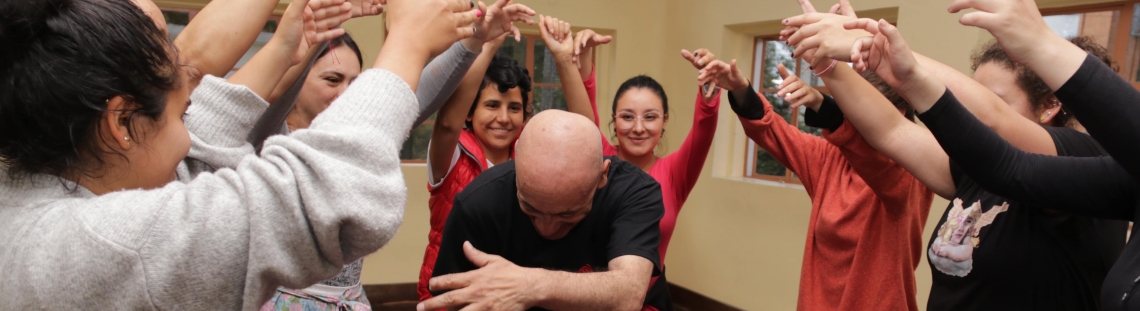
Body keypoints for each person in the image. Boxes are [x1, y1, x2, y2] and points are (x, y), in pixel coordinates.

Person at [0, 0, 481, 308]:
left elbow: (199, 153)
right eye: (178, 111)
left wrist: (288, 49)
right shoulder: (101, 248)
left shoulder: (35, 197)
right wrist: (407, 45)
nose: (188, 134)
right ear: (121, 123)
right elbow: (326, 194)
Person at [782, 1, 1129, 309]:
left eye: (991, 96)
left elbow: (993, 119)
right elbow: (892, 131)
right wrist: (830, 65)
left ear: (1050, 105)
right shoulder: (981, 170)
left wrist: (890, 57)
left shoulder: (1080, 157)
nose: (968, 111)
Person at [695, 21, 933, 311]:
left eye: (864, 111)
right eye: (853, 109)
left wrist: (825, 105)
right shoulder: (831, 158)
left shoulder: (912, 171)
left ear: (899, 114)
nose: (859, 119)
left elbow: (880, 162)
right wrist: (741, 89)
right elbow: (772, 131)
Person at [421, 110, 672, 311]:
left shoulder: (635, 191)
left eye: (567, 214)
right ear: (516, 160)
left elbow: (628, 294)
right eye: (529, 208)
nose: (546, 228)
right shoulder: (478, 203)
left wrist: (530, 284)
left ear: (602, 176)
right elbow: (452, 299)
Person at [418, 14, 590, 301]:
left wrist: (563, 59)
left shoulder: (530, 156)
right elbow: (447, 123)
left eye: (514, 108)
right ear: (470, 113)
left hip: (512, 294)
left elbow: (587, 136)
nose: (503, 118)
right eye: (492, 105)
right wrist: (489, 43)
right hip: (452, 292)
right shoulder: (452, 153)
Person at [567, 30, 721, 262]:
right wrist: (585, 53)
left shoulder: (674, 173)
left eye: (650, 117)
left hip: (649, 297)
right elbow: (585, 113)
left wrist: (710, 83)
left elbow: (704, 129)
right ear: (614, 119)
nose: (638, 128)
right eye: (627, 117)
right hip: (589, 293)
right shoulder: (600, 157)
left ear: (664, 120)